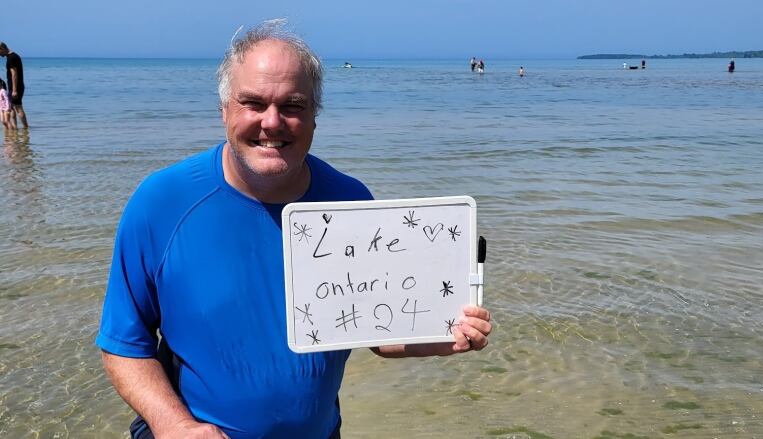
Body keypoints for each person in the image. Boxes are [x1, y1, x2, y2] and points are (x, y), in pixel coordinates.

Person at [96, 19, 492, 439]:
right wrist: (174, 425)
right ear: (224, 110)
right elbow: (123, 342)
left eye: (292, 106)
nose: (272, 122)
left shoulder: (350, 202)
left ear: (314, 117)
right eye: (253, 103)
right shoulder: (162, 202)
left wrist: (446, 334)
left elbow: (378, 332)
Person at [0, 42, 28, 129]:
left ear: (2, 49)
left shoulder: (11, 58)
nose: (0, 55)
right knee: (11, 107)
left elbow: (14, 74)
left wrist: (15, 90)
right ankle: (15, 128)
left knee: (18, 107)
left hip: (16, 87)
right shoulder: (12, 56)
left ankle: (26, 128)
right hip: (14, 86)